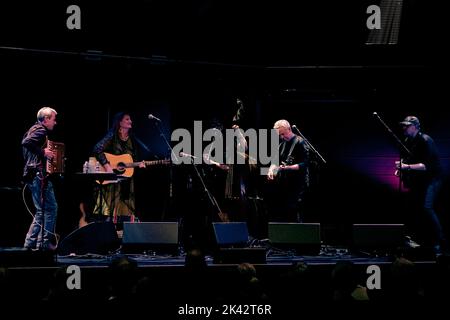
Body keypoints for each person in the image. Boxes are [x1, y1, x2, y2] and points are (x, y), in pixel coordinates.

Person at [395, 115, 446, 254]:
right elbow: (410, 160)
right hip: (422, 180)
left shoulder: (426, 140)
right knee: (416, 208)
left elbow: (425, 166)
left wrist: (406, 167)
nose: (404, 128)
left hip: (433, 178)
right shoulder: (408, 140)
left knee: (427, 208)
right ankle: (421, 239)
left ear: (416, 127)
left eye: (407, 125)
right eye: (403, 125)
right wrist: (401, 168)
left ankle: (440, 241)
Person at [92, 112, 146, 228]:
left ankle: (123, 234)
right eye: (127, 119)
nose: (130, 121)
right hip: (111, 180)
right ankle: (106, 231)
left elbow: (132, 159)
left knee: (126, 209)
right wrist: (107, 166)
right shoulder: (112, 135)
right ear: (120, 122)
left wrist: (139, 164)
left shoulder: (132, 139)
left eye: (130, 119)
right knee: (110, 210)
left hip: (126, 180)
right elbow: (97, 149)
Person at [22, 107, 59, 251]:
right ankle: (42, 244)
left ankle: (31, 244)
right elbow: (26, 142)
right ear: (46, 119)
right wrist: (43, 152)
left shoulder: (33, 129)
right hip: (38, 175)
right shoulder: (41, 131)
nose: (55, 123)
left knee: (41, 211)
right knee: (50, 209)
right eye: (53, 119)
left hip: (33, 174)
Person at [266, 119, 309, 222]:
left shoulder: (300, 142)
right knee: (285, 214)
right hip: (285, 185)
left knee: (296, 214)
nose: (281, 137)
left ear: (289, 129)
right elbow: (274, 161)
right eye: (279, 135)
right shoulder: (282, 144)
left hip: (298, 185)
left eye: (283, 134)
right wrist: (270, 170)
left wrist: (289, 168)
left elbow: (305, 164)